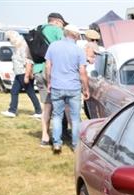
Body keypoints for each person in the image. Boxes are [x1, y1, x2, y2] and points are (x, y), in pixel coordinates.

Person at [45, 24, 89, 153]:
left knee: (57, 116)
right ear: (75, 35)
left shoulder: (53, 46)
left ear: (65, 33)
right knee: (75, 118)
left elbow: (48, 66)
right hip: (73, 87)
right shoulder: (78, 50)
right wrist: (86, 89)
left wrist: (49, 82)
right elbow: (82, 72)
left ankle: (57, 143)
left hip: (57, 85)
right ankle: (75, 145)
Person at [32, 12, 66, 147]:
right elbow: (64, 50)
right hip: (52, 71)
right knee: (62, 103)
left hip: (38, 70)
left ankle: (45, 137)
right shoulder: (57, 31)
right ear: (57, 22)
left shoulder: (38, 30)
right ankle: (61, 135)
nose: (63, 27)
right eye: (62, 24)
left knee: (47, 106)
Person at [1, 30, 42, 118]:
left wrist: (26, 76)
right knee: (14, 91)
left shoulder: (23, 46)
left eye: (9, 39)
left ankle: (39, 112)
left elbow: (28, 62)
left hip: (23, 73)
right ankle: (12, 111)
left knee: (30, 93)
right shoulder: (18, 46)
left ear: (13, 38)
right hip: (19, 73)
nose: (8, 41)